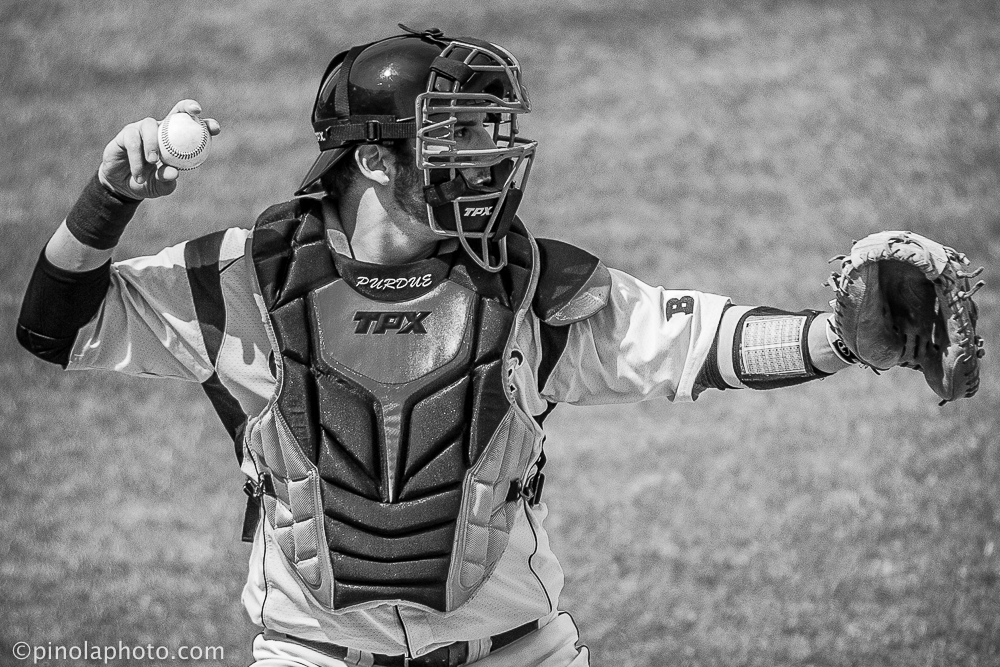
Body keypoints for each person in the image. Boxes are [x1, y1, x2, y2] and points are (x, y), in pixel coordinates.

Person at [18, 25, 860, 667]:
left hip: (518, 650)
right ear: (377, 161)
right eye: (459, 138)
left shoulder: (528, 285)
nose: (490, 163)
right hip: (311, 654)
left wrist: (838, 338)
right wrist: (107, 200)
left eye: (493, 134)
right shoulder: (242, 281)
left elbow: (701, 341)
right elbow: (57, 326)